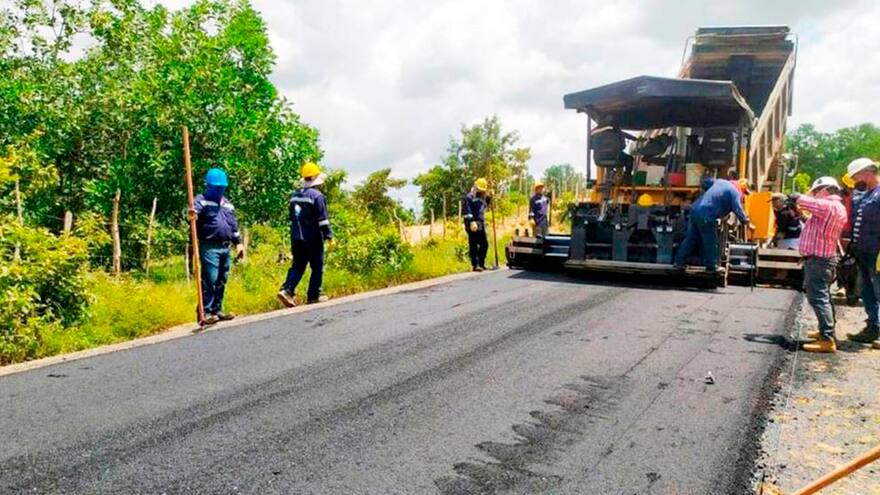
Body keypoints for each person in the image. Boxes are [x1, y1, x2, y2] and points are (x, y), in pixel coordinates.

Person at [792, 177, 848, 353]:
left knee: (818, 297)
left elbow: (802, 200)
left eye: (817, 190)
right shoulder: (834, 207)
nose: (815, 194)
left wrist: (800, 195)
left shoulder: (828, 206)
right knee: (823, 296)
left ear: (826, 190)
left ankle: (827, 338)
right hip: (822, 258)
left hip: (819, 259)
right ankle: (826, 331)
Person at [277, 162, 335, 307]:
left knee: (297, 265)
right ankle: (313, 295)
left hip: (296, 238)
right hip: (312, 238)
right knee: (317, 266)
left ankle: (286, 290)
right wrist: (329, 236)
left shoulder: (294, 196)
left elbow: (292, 217)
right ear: (316, 179)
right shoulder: (317, 196)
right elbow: (323, 220)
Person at [192, 168, 244, 325]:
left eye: (221, 187)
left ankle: (217, 309)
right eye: (216, 187)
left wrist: (239, 244)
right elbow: (193, 212)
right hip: (210, 247)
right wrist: (192, 214)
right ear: (208, 186)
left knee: (222, 278)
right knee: (210, 278)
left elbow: (233, 226)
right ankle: (204, 311)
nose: (219, 190)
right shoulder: (201, 200)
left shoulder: (228, 204)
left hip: (225, 246)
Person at [673, 176, 752, 272]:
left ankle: (679, 262)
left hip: (694, 210)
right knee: (710, 241)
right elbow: (738, 209)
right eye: (744, 193)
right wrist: (747, 223)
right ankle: (712, 266)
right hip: (706, 214)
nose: (743, 196)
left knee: (691, 239)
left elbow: (705, 181)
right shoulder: (734, 192)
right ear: (742, 188)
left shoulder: (721, 182)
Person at [845, 157, 880, 348]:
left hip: (877, 252)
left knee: (878, 289)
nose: (855, 180)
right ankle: (873, 326)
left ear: (867, 173)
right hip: (864, 251)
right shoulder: (867, 194)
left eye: (856, 176)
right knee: (866, 290)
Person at [463, 178, 490, 272]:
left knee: (484, 244)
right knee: (473, 244)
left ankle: (482, 263)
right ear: (475, 187)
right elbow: (467, 211)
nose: (481, 191)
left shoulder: (483, 197)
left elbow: (487, 203)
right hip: (472, 223)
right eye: (479, 189)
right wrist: (471, 221)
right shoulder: (469, 197)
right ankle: (476, 265)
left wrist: (491, 196)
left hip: (481, 222)